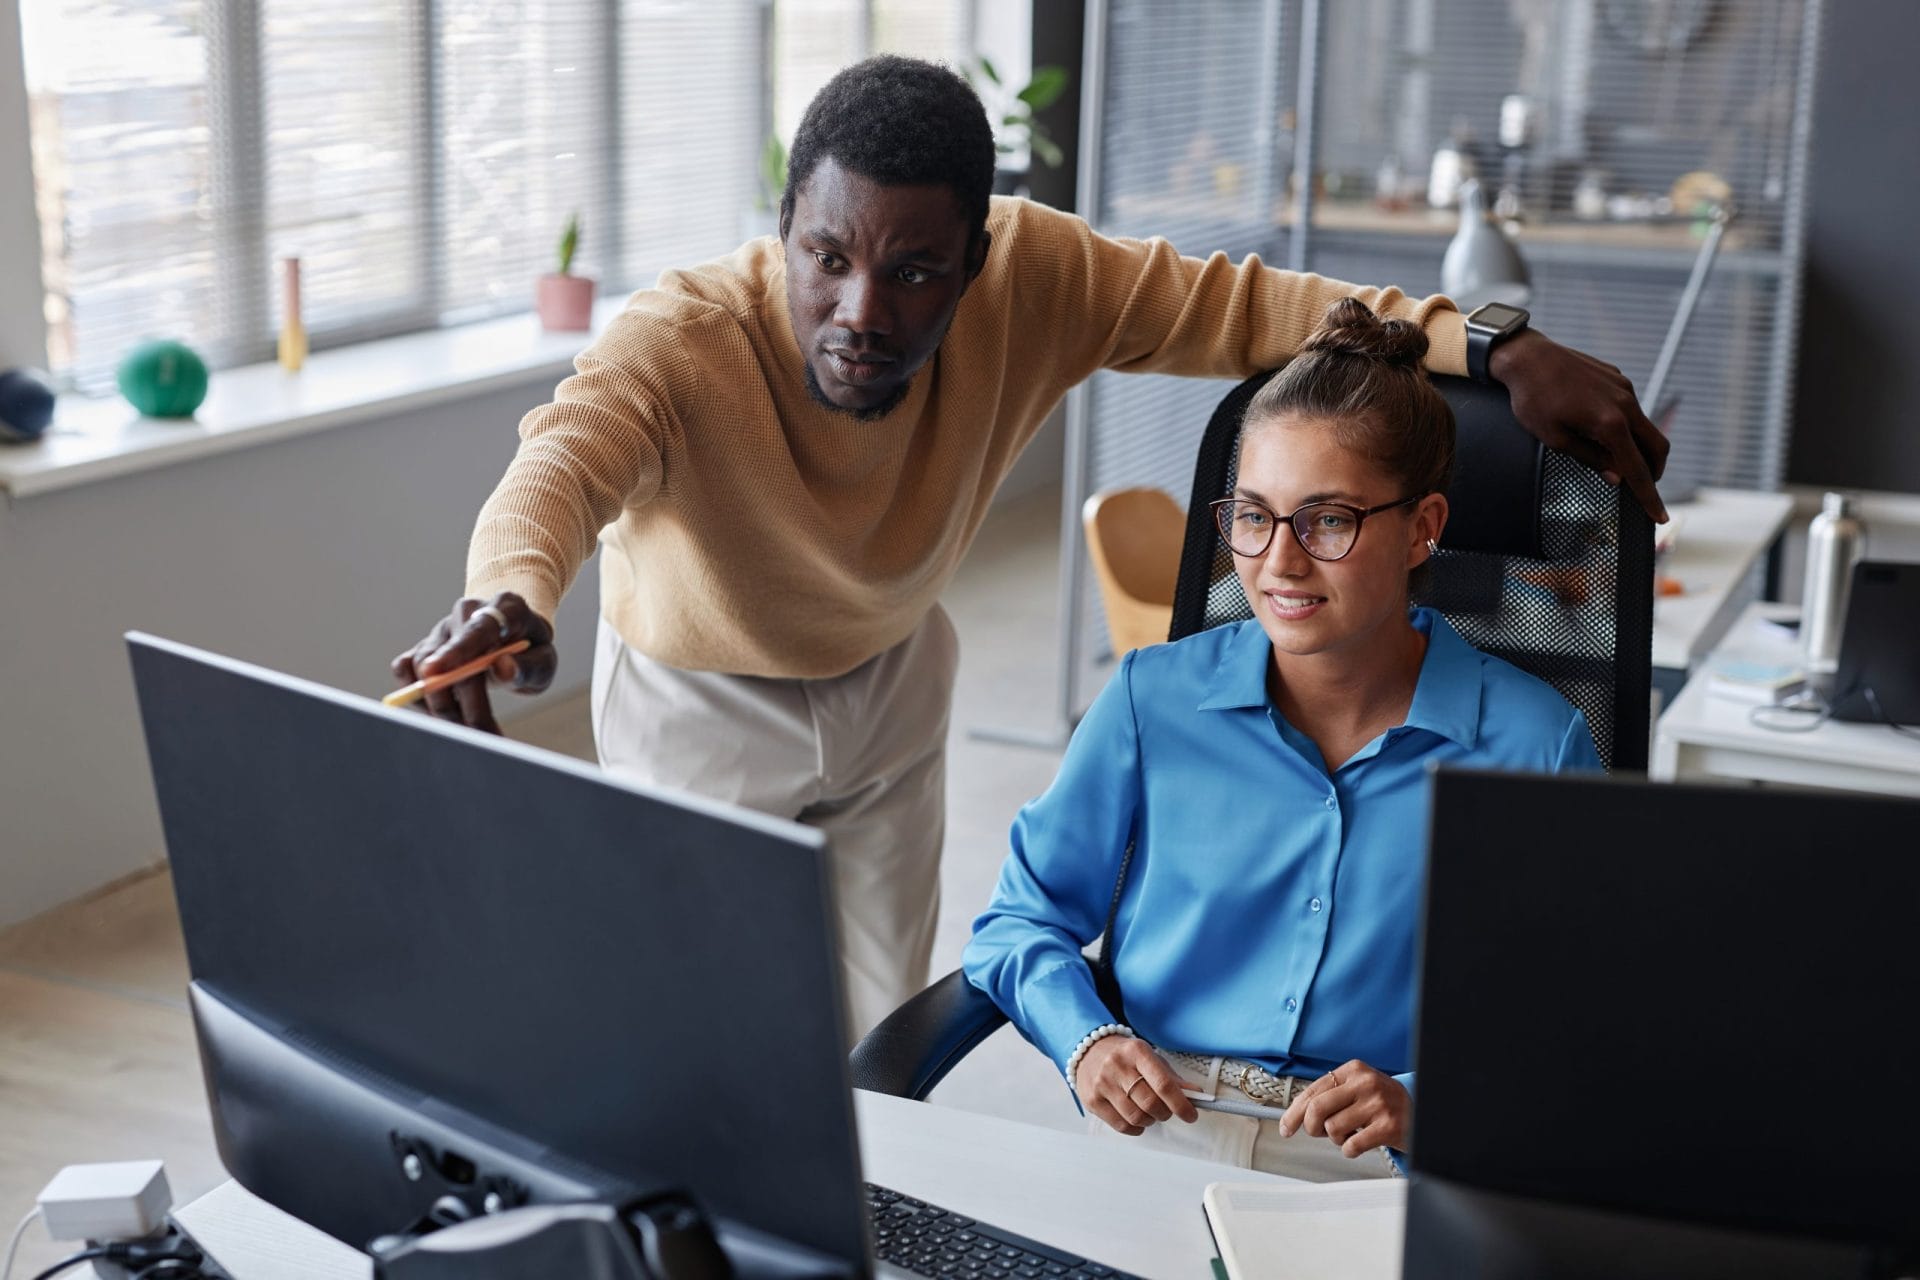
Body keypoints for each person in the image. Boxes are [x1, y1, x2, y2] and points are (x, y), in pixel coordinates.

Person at [392, 56, 1663, 1038]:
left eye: (914, 273)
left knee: (879, 1021)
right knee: (701, 1023)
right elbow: (562, 455)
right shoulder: (684, 338)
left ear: (977, 258)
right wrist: (506, 591)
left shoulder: (1037, 276)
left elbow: (1255, 310)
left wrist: (1492, 344)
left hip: (889, 671)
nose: (861, 311)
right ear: (785, 224)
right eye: (826, 258)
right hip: (700, 697)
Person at [962, 299, 1603, 1179]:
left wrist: (1425, 1099)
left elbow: (1575, 1021)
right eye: (1255, 517)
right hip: (1162, 1132)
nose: (1279, 563)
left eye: (1328, 520)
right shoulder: (1154, 699)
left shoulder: (1537, 745)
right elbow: (1018, 922)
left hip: (1378, 1156)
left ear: (1424, 528)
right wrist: (1089, 1041)